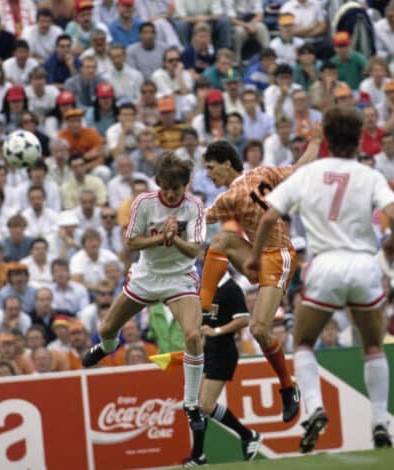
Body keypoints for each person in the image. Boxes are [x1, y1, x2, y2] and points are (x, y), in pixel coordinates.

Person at [246, 108, 394, 451]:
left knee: (303, 343)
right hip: (363, 264)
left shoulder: (309, 174)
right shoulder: (368, 174)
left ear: (327, 139)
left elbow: (270, 215)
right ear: (359, 140)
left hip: (326, 265)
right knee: (373, 346)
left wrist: (256, 256)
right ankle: (380, 423)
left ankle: (314, 406)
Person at [198, 127, 321, 424]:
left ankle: (288, 388)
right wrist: (316, 141)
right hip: (259, 257)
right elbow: (300, 167)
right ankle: (204, 309)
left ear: (227, 163)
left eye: (211, 169)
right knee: (221, 242)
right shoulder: (264, 173)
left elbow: (198, 218)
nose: (209, 176)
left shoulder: (231, 197)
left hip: (278, 256)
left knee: (260, 329)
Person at [81, 153, 208, 433]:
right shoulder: (144, 203)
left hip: (180, 277)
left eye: (177, 188)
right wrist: (163, 235)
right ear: (159, 184)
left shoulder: (195, 206)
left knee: (193, 336)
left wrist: (174, 238)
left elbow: (195, 250)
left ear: (186, 186)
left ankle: (191, 404)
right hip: (147, 276)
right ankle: (106, 348)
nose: (172, 194)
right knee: (107, 328)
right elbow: (131, 243)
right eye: (167, 188)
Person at [184, 271, 258, 466]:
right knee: (198, 405)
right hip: (208, 351)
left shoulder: (231, 288)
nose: (204, 265)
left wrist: (216, 331)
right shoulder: (207, 288)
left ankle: (248, 435)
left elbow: (243, 320)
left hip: (224, 352)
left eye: (209, 261)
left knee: (206, 405)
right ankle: (198, 455)